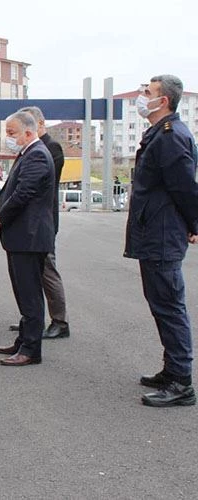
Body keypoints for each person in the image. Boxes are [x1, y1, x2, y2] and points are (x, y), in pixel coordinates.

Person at [125, 75, 198, 407]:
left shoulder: (170, 136)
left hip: (163, 233)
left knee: (169, 306)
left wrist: (194, 223)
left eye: (147, 93)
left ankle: (181, 382)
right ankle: (173, 370)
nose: (142, 97)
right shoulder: (160, 133)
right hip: (155, 230)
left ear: (163, 101)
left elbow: (184, 187)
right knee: (162, 305)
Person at [0, 111, 55, 366]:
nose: (8, 138)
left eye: (11, 133)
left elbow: (23, 193)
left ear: (29, 132)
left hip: (29, 236)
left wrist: (0, 217)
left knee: (30, 294)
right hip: (23, 236)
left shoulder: (37, 154)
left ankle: (30, 349)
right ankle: (24, 340)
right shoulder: (29, 153)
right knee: (23, 291)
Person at [6, 106, 69, 340]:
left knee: (46, 271)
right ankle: (32, 321)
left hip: (40, 224)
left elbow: (31, 187)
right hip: (27, 224)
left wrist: (2, 215)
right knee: (29, 277)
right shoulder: (29, 150)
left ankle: (59, 321)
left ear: (39, 124)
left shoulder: (48, 149)